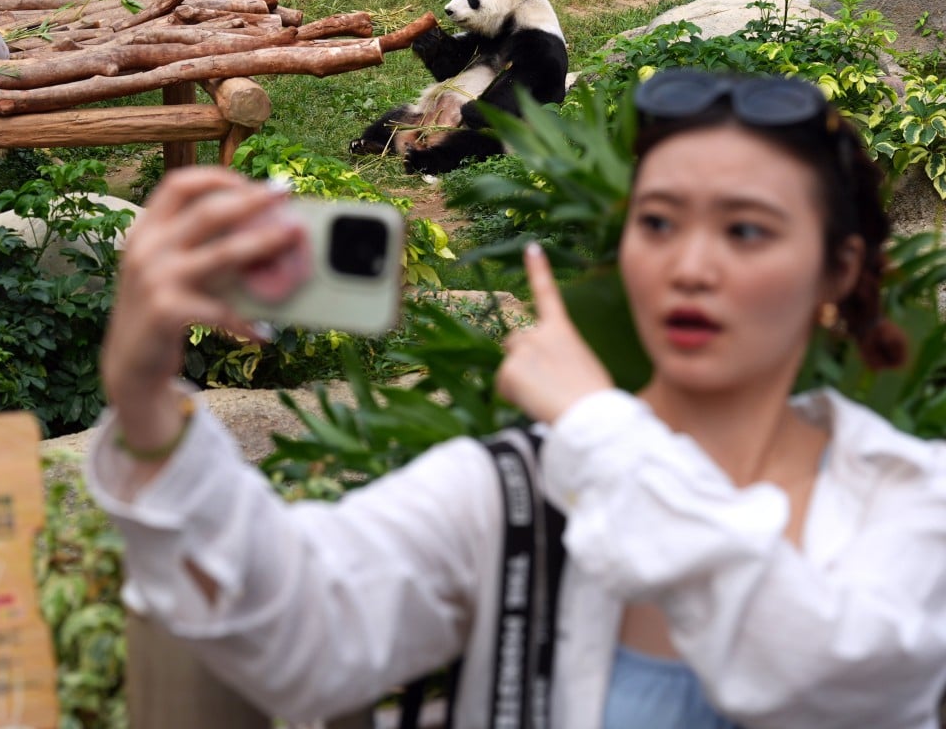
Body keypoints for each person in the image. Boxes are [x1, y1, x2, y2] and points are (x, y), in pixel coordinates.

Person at [86, 68, 946, 729]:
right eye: (658, 222)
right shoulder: (520, 491)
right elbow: (299, 633)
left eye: (747, 230)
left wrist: (595, 426)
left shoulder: (910, 498)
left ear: (839, 269)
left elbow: (830, 670)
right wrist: (146, 401)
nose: (690, 265)